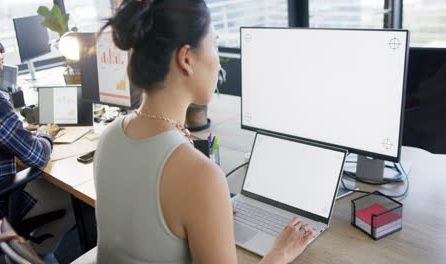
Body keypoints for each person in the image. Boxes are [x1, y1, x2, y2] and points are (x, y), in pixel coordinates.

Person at [94, 0, 316, 263]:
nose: (218, 60)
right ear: (186, 58)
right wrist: (280, 252)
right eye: (215, 44)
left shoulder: (109, 136)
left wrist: (208, 208)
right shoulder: (200, 176)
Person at [0, 32, 74, 263]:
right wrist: (44, 134)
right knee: (70, 194)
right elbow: (37, 155)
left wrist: (20, 131)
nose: (2, 50)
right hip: (0, 203)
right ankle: (32, 255)